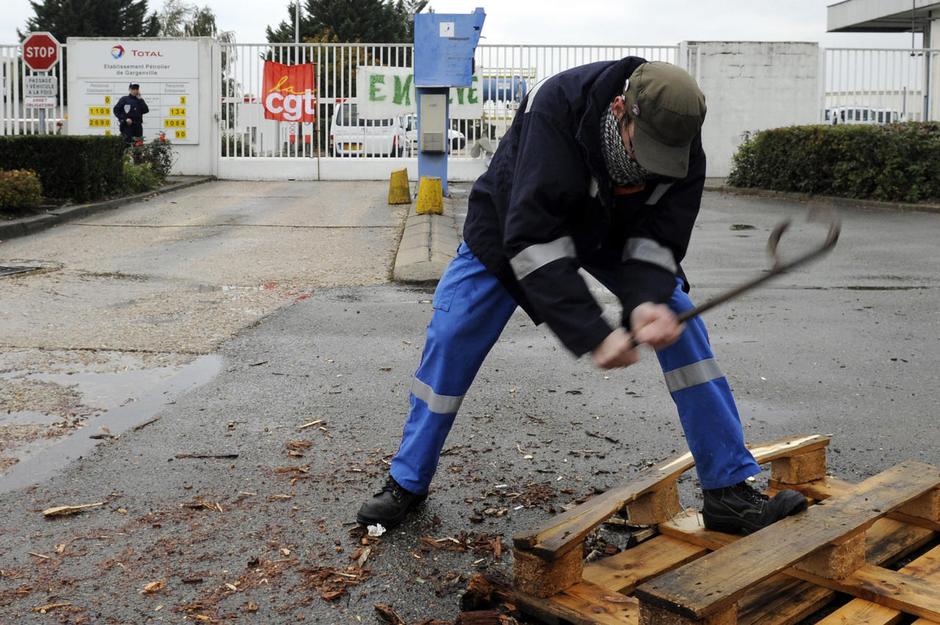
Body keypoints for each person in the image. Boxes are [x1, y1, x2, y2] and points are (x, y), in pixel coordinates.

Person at [357, 59, 807, 535]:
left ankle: (728, 491)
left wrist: (648, 301)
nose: (651, 165)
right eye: (644, 149)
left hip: (612, 234)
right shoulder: (557, 105)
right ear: (620, 110)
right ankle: (407, 480)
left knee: (683, 322)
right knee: (452, 334)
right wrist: (593, 333)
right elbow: (534, 238)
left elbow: (659, 239)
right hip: (514, 224)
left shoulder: (681, 142)